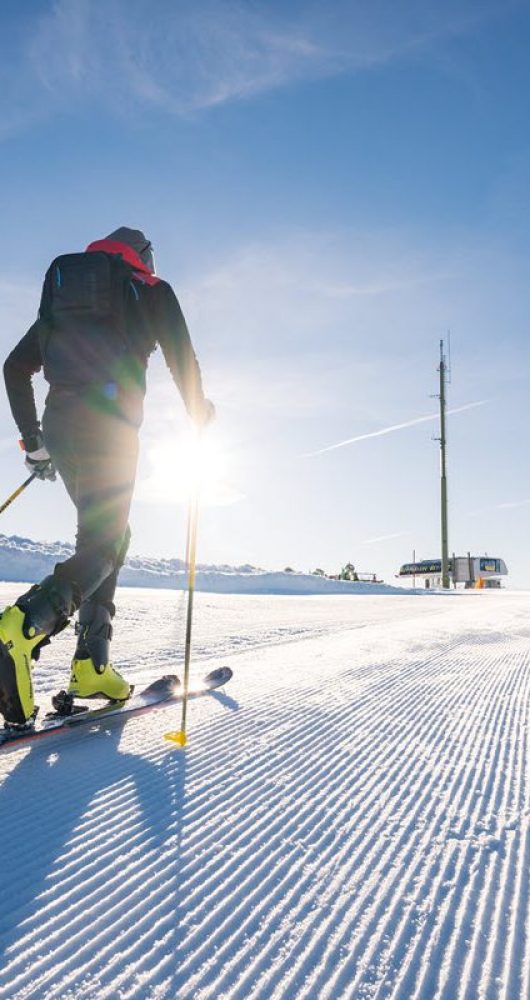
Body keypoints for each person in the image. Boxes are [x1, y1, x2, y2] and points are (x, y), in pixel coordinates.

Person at [0, 227, 214, 728]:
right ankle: (24, 625)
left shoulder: (67, 295)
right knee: (107, 541)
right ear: (143, 258)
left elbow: (14, 367)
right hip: (110, 428)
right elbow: (182, 357)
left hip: (61, 426)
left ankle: (92, 667)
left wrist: (35, 443)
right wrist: (198, 413)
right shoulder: (151, 290)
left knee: (104, 538)